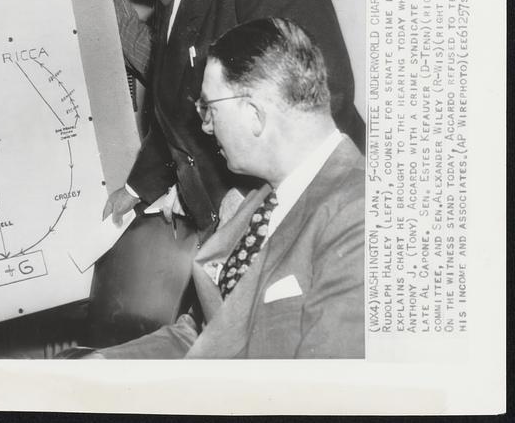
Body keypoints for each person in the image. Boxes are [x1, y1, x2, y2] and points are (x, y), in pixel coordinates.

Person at [104, 0, 365, 233]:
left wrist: (251, 195)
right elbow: (180, 104)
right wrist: (138, 186)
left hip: (315, 217)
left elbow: (324, 95)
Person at [88, 18, 364, 358]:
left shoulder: (361, 217)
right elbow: (204, 337)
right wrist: (103, 365)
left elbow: (324, 396)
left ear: (254, 115)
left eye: (209, 108)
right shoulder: (260, 204)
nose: (204, 126)